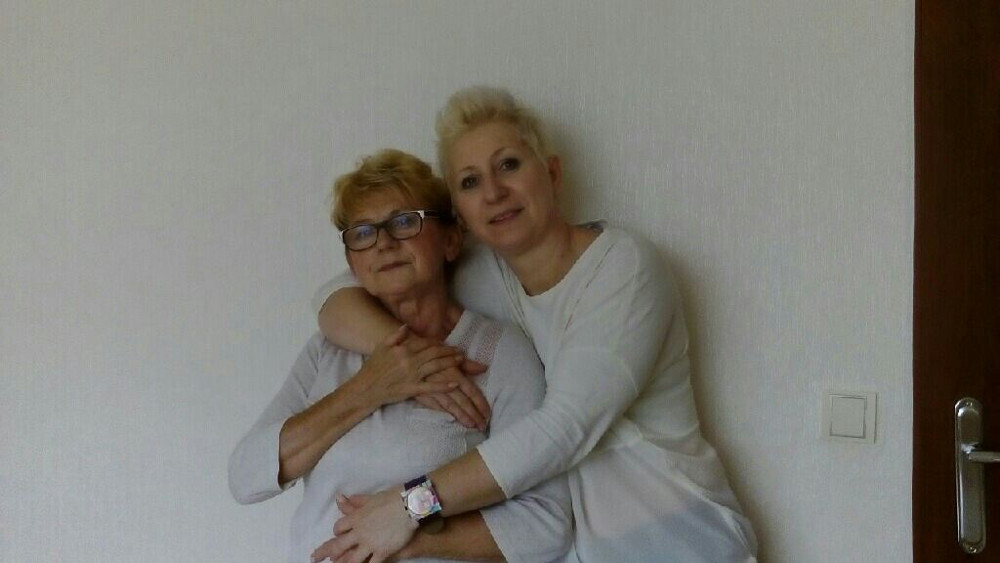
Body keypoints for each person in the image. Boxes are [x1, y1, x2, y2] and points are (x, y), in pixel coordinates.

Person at [310, 87, 758, 563]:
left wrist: (410, 506)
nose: (494, 192)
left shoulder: (624, 270)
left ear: (552, 173)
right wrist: (408, 362)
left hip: (686, 543)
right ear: (460, 215)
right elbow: (337, 296)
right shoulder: (486, 274)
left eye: (508, 165)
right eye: (470, 181)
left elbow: (562, 431)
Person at [228, 149, 572, 563]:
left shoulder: (497, 352)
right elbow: (246, 478)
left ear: (450, 240)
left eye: (405, 222)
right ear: (352, 263)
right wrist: (369, 389)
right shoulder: (327, 351)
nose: (384, 243)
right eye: (363, 232)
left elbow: (546, 524)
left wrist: (412, 525)